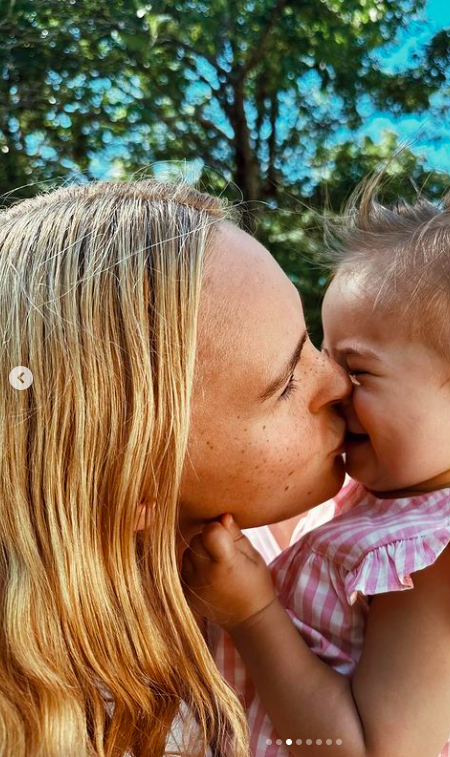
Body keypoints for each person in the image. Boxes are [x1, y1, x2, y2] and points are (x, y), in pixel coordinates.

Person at [182, 179, 450, 756]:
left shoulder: (434, 558)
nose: (331, 383)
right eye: (326, 354)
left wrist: (253, 615)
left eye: (358, 369)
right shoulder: (387, 509)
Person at [0, 179, 351, 757]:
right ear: (133, 486)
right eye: (285, 383)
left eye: (312, 340)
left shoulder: (279, 544)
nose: (338, 381)